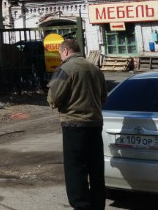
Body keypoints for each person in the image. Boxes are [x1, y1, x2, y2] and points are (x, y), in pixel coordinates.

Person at [47, 38, 107, 210]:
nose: (60, 57)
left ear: (65, 51)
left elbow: (54, 97)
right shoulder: (95, 69)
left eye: (59, 54)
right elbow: (103, 97)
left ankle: (81, 205)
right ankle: (97, 205)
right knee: (96, 169)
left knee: (75, 170)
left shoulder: (65, 69)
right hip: (95, 125)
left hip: (74, 126)